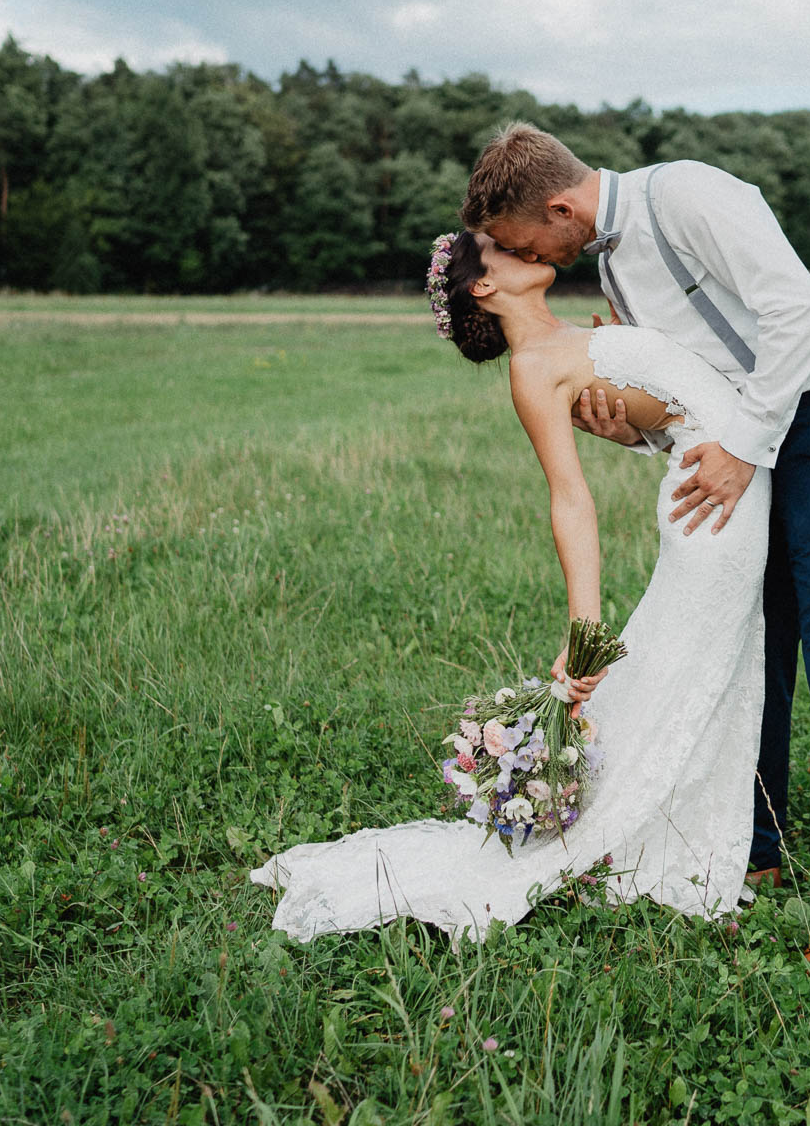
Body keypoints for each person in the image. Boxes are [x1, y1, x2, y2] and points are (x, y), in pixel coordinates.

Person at [249, 230, 771, 942]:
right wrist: (586, 629)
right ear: (485, 288)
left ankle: (674, 839)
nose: (525, 244)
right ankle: (657, 847)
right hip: (713, 510)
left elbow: (674, 404)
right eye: (502, 248)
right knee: (699, 672)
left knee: (705, 673)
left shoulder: (578, 333)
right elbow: (569, 497)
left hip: (717, 479)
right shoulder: (532, 367)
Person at [461, 123, 810, 955]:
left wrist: (743, 448)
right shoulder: (614, 265)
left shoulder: (691, 193)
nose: (530, 256)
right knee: (758, 652)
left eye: (525, 241)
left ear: (560, 208)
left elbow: (794, 311)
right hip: (752, 452)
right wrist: (625, 428)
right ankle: (760, 849)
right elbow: (692, 401)